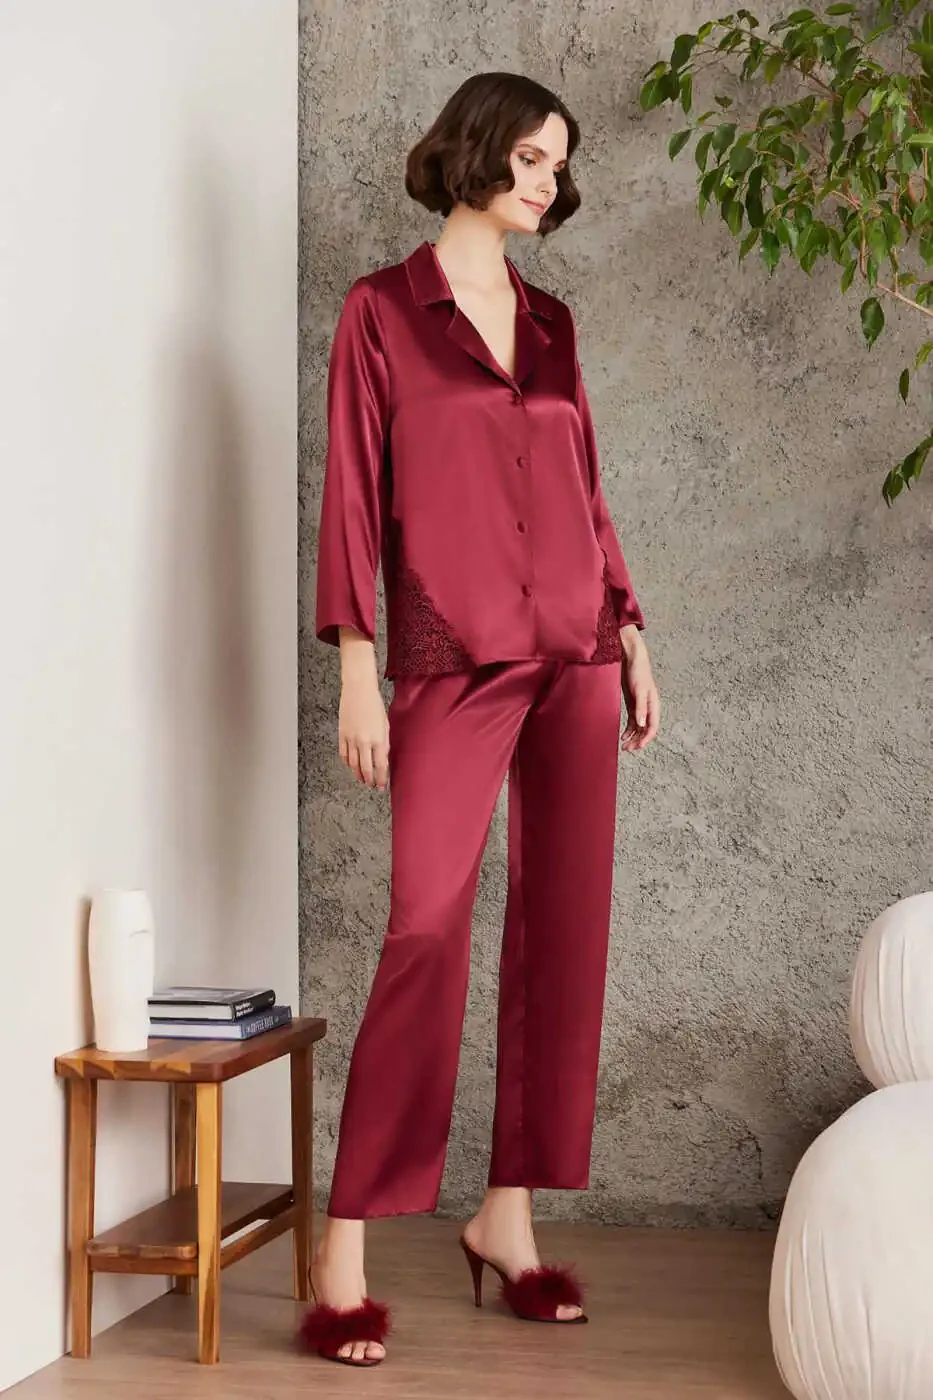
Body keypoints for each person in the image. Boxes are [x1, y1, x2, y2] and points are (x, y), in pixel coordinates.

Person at [300, 70, 660, 1368]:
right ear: (476, 148)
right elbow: (353, 496)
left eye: (561, 163)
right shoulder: (382, 313)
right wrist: (358, 670)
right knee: (424, 927)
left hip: (574, 648)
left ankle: (506, 1221)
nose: (548, 180)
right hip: (448, 657)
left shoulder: (552, 322)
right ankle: (342, 1249)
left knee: (562, 930)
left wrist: (630, 628)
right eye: (531, 155)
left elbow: (584, 483)